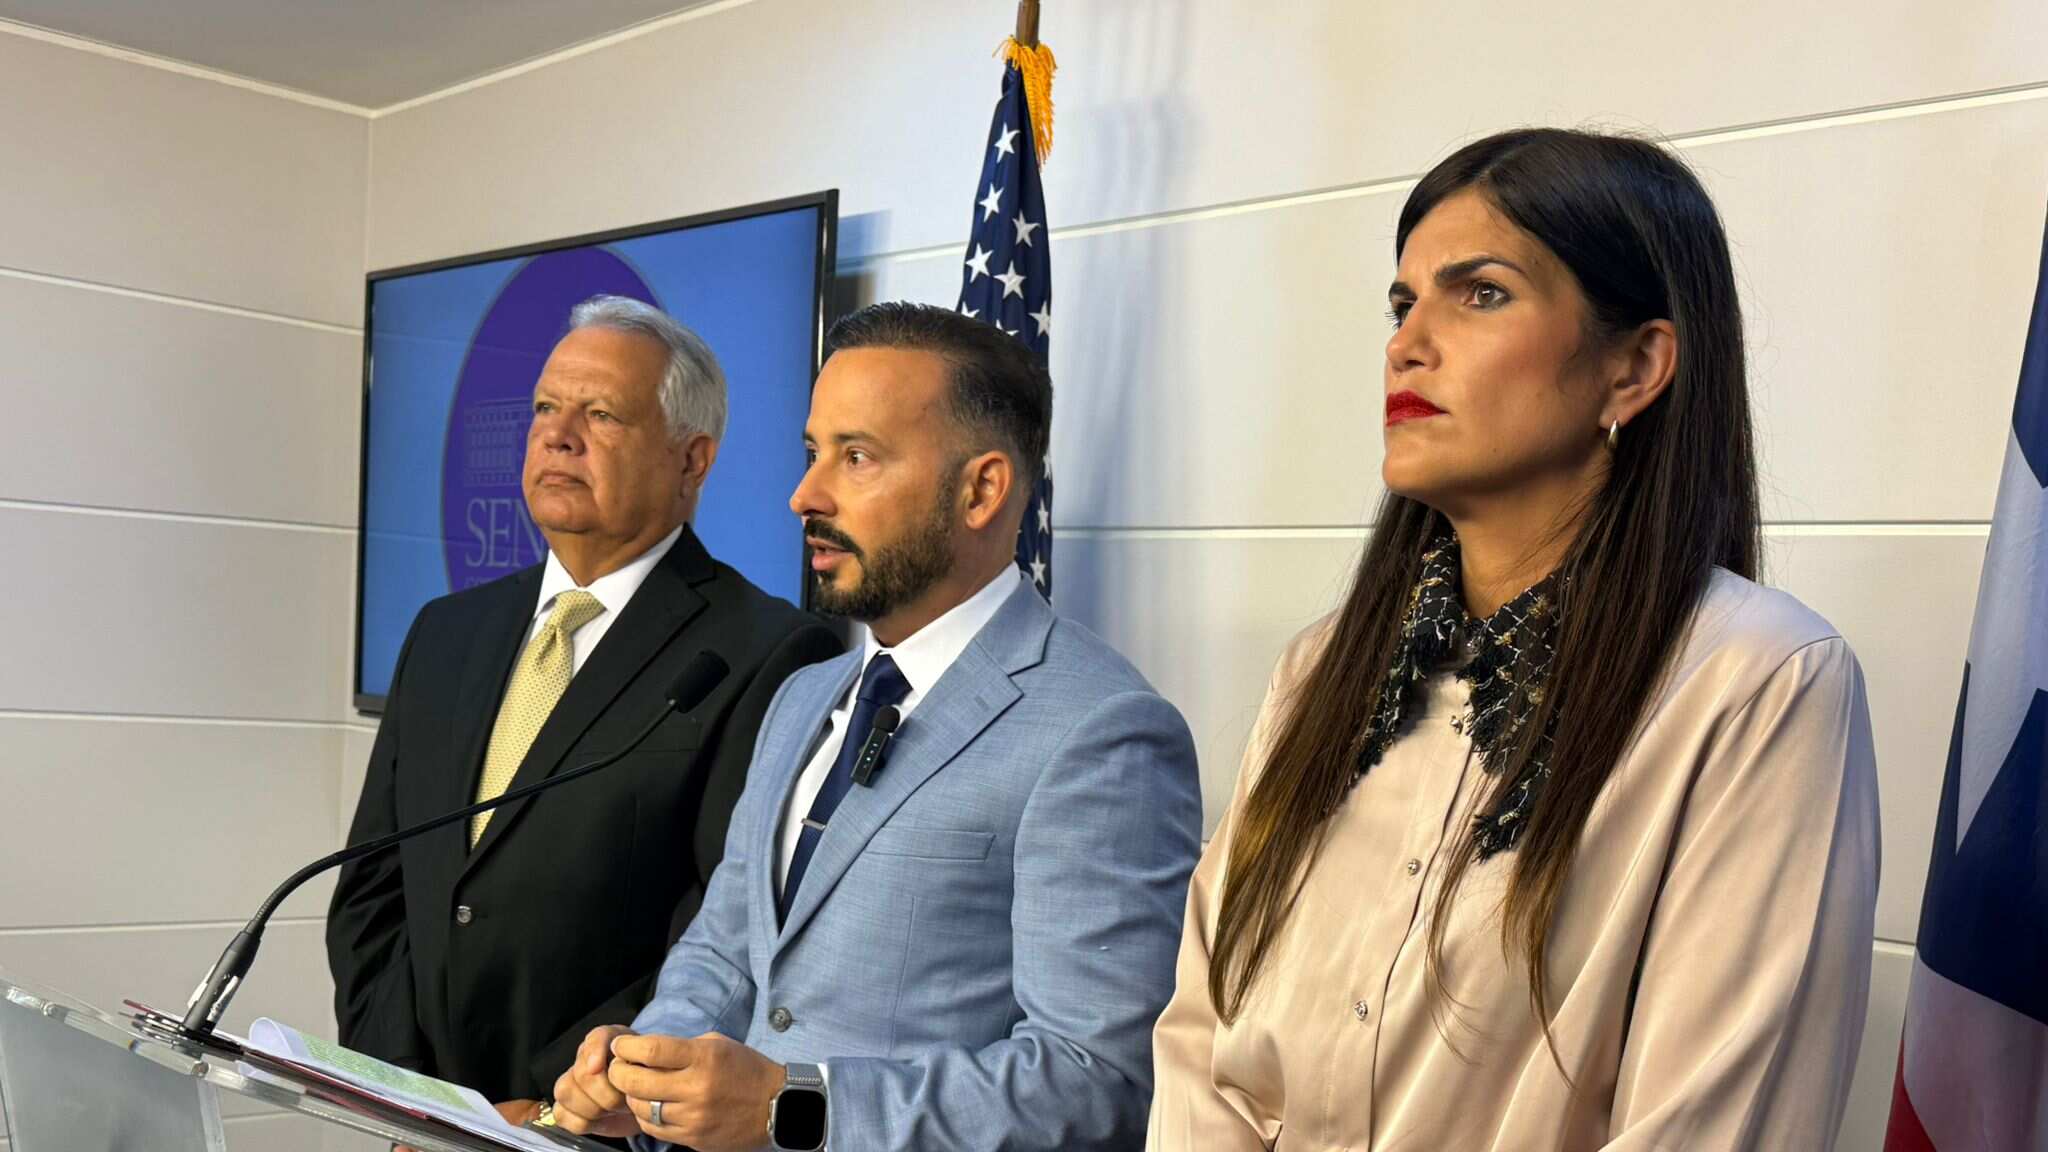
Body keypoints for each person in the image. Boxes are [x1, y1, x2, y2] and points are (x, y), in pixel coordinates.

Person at [1148, 128, 1881, 1150]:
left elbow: (1705, 1124)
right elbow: (1200, 1048)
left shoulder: (1756, 683)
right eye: (1402, 303)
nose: (1407, 342)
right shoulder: (1318, 670)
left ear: (1631, 369)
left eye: (1479, 293)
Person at [547, 302, 1203, 1152]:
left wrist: (791, 1106)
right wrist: (646, 1076)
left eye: (856, 458)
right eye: (812, 453)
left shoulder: (1100, 730)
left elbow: (1097, 1082)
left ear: (981, 489)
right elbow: (727, 951)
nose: (805, 496)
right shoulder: (802, 696)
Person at [327, 295, 841, 1123]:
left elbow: (719, 926)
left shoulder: (769, 654)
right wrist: (411, 1098)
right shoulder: (446, 631)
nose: (557, 435)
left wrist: (559, 1107)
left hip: (591, 1124)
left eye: (600, 414)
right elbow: (373, 894)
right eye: (544, 408)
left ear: (692, 460)